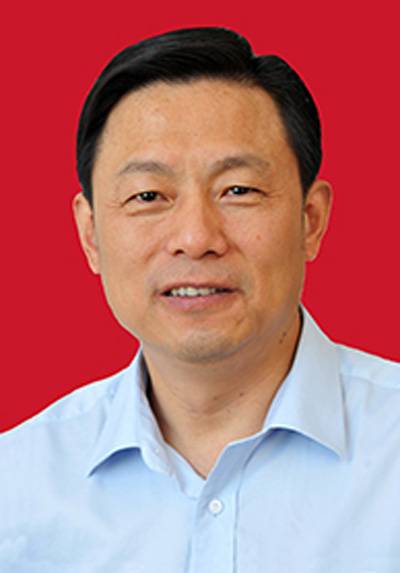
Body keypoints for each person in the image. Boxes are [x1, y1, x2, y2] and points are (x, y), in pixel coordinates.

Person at [1, 26, 399, 572]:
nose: (195, 237)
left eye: (238, 190)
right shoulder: (18, 486)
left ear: (311, 220)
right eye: (148, 195)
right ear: (90, 235)